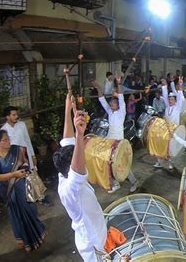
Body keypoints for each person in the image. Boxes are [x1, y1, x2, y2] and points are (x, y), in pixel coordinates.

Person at [54, 92, 106, 261]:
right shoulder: (70, 188)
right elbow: (77, 169)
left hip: (96, 230)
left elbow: (66, 139)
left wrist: (68, 109)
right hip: (92, 243)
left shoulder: (63, 174)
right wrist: (79, 135)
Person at [0, 130, 46, 252]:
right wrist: (13, 174)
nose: (8, 142)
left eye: (8, 138)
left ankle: (38, 232)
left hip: (21, 185)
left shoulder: (16, 149)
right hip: (9, 191)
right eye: (4, 140)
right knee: (17, 215)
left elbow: (24, 161)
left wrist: (24, 168)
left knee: (30, 209)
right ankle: (24, 240)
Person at [94, 76, 138, 193]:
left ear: (118, 105)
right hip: (109, 141)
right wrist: (98, 87)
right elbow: (101, 99)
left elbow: (121, 96)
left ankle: (134, 181)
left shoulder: (121, 111)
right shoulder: (110, 111)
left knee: (122, 162)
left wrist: (119, 83)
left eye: (113, 102)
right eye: (111, 102)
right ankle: (115, 184)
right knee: (109, 162)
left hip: (119, 142)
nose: (111, 104)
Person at [1, 106, 49, 205]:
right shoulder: (4, 130)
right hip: (14, 159)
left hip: (26, 155)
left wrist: (32, 156)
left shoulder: (22, 125)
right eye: (13, 115)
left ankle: (41, 197)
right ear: (7, 117)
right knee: (19, 180)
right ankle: (26, 200)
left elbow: (27, 140)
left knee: (33, 175)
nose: (16, 116)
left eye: (16, 114)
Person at [153, 77, 184, 170]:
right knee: (161, 144)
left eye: (172, 99)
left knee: (171, 148)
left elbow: (180, 96)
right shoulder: (167, 106)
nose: (170, 101)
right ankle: (159, 162)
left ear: (175, 100)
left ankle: (171, 163)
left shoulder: (178, 107)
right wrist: (164, 85)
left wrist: (180, 85)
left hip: (174, 130)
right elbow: (165, 94)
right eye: (169, 99)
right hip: (165, 129)